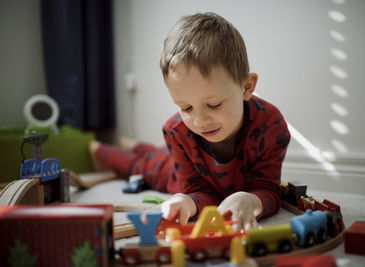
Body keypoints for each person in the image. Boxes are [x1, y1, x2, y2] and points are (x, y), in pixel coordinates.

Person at [89, 12, 290, 231]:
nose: (199, 121)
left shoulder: (271, 125)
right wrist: (186, 201)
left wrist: (251, 201)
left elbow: (268, 190)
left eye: (213, 105)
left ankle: (133, 144)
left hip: (187, 160)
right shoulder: (177, 131)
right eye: (186, 108)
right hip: (170, 172)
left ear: (247, 87)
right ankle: (98, 148)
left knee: (152, 153)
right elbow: (200, 193)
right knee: (141, 164)